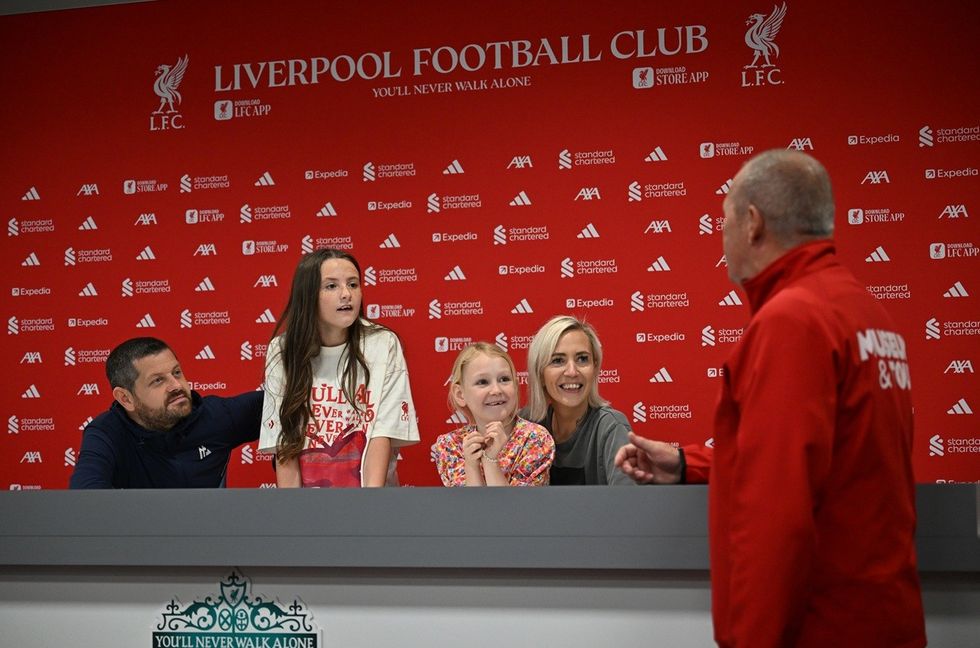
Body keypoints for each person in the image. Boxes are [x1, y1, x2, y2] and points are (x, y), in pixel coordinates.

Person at [616, 150, 925, 647]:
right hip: (881, 619)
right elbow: (831, 459)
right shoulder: (867, 312)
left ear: (753, 223)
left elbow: (777, 513)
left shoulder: (791, 322)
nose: (721, 236)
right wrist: (685, 463)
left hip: (819, 630)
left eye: (723, 220)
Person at [258, 249, 419, 487]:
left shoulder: (382, 343)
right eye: (331, 286)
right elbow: (286, 443)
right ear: (308, 295)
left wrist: (369, 503)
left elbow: (380, 434)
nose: (346, 294)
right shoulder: (282, 350)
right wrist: (293, 506)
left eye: (353, 284)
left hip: (371, 496)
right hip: (309, 502)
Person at [69, 337, 262, 489]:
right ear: (126, 398)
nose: (176, 385)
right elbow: (86, 498)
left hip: (209, 527)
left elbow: (278, 404)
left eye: (176, 372)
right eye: (158, 381)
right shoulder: (107, 433)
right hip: (142, 528)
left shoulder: (215, 415)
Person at [523, 315, 635, 485]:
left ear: (595, 368)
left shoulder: (611, 427)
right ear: (540, 373)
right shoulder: (526, 426)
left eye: (582, 359)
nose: (572, 372)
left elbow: (628, 499)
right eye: (558, 360)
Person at [432, 342, 554, 486]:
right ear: (460, 394)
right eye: (482, 382)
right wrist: (471, 466)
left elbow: (516, 502)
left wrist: (490, 461)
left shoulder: (535, 439)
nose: (496, 390)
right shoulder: (450, 445)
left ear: (515, 386)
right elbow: (471, 501)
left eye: (504, 379)